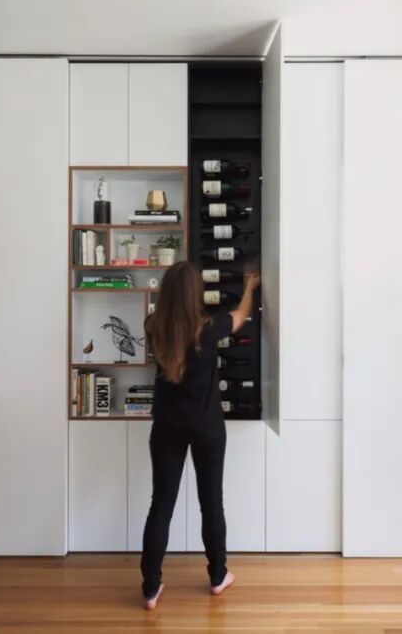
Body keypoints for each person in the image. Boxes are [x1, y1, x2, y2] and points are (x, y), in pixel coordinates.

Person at [140, 260, 260, 610]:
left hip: (167, 427)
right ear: (196, 293)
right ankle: (218, 575)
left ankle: (150, 588)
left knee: (161, 505)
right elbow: (241, 315)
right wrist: (249, 287)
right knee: (211, 503)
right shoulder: (209, 328)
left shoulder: (152, 326)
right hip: (207, 427)